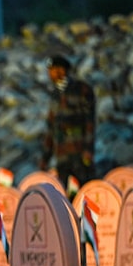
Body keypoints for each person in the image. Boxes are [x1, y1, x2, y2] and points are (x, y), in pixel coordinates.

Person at [40, 54, 96, 188]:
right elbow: (51, 127)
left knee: (83, 187)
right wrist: (45, 157)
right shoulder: (55, 94)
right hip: (61, 152)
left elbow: (89, 121)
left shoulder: (82, 90)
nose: (50, 74)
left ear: (62, 70)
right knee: (64, 189)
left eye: (52, 70)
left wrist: (88, 149)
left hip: (78, 149)